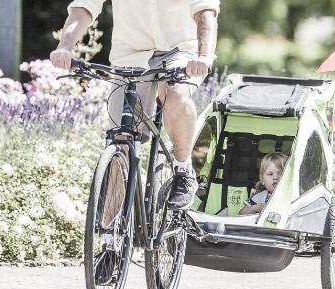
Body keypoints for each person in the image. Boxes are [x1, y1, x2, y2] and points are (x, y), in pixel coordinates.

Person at [50, 0, 220, 210]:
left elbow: (205, 9)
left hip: (180, 50)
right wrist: (65, 47)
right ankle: (110, 234)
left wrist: (203, 56)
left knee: (175, 93)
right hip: (130, 54)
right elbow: (84, 6)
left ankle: (183, 171)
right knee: (119, 142)